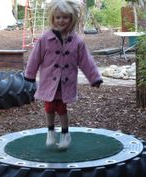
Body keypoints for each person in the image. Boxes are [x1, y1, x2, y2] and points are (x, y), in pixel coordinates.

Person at [24, 0, 103, 149]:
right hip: (49, 82)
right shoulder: (45, 39)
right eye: (58, 17)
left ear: (72, 18)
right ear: (52, 18)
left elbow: (86, 61)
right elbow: (35, 57)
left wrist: (94, 78)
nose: (61, 21)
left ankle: (65, 134)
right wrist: (30, 74)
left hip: (65, 83)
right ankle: (50, 132)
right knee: (48, 107)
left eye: (65, 17)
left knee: (61, 108)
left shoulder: (77, 42)